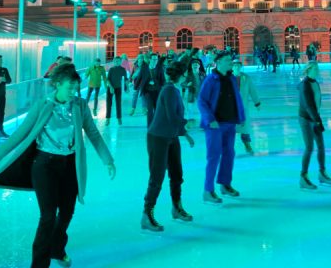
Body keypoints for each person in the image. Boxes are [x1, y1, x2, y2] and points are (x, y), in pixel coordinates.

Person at [0, 63, 116, 268]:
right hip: (44, 166)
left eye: (75, 88)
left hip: (70, 165)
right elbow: (21, 133)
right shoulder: (43, 104)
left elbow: (94, 134)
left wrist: (108, 160)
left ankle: (57, 249)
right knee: (48, 216)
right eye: (69, 88)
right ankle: (39, 265)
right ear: (58, 84)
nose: (73, 92)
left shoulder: (79, 105)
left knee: (67, 212)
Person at [141, 61, 196, 232]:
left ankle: (176, 208)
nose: (188, 76)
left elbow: (172, 117)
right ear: (181, 75)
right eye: (186, 73)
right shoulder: (170, 90)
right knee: (157, 177)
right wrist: (187, 123)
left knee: (177, 174)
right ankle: (147, 215)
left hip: (171, 137)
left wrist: (185, 134)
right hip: (158, 138)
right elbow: (172, 116)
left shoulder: (174, 89)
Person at [197, 50, 245, 203]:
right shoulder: (211, 79)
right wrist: (210, 119)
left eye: (230, 60)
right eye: (227, 61)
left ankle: (225, 184)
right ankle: (208, 190)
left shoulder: (231, 78)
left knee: (229, 154)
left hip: (229, 123)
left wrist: (240, 117)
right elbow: (202, 101)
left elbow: (237, 98)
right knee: (213, 157)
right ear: (218, 63)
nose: (231, 63)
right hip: (215, 125)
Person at [298, 61, 331, 189]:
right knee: (309, 147)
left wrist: (317, 119)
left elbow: (316, 103)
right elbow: (308, 106)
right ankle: (303, 177)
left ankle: (322, 174)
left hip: (315, 117)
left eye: (318, 69)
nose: (317, 71)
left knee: (321, 146)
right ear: (308, 70)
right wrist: (317, 120)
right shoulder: (304, 85)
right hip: (306, 119)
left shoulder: (315, 83)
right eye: (315, 69)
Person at [232, 59, 261, 154]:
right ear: (232, 67)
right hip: (231, 109)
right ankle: (230, 148)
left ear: (241, 66)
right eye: (235, 65)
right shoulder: (228, 78)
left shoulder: (246, 78)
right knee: (230, 129)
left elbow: (252, 90)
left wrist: (257, 103)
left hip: (243, 108)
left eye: (238, 65)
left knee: (245, 128)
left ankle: (247, 146)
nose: (236, 67)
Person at [105, 56, 128, 125]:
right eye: (115, 61)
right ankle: (108, 119)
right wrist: (111, 87)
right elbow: (108, 79)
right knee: (109, 104)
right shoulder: (111, 69)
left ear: (120, 62)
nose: (116, 62)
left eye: (118, 61)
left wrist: (127, 88)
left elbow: (125, 79)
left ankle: (119, 118)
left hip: (118, 88)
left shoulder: (123, 69)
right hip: (111, 88)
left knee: (118, 104)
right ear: (113, 62)